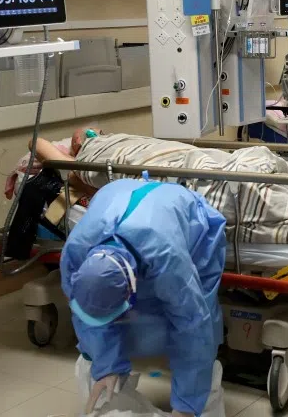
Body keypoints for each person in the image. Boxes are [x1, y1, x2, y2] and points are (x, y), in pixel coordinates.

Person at [61, 178, 227, 417]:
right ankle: (112, 380)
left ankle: (199, 400)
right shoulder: (74, 253)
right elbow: (87, 313)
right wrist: (107, 367)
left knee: (199, 318)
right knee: (101, 315)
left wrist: (186, 405)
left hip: (189, 220)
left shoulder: (168, 258)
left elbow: (192, 323)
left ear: (130, 291)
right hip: (118, 200)